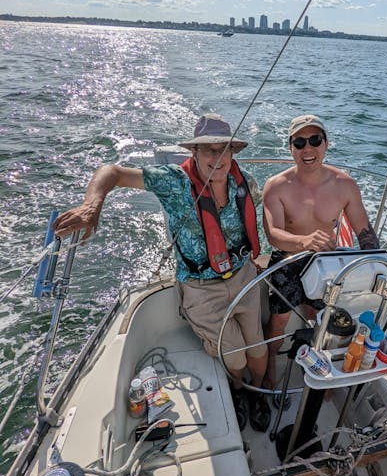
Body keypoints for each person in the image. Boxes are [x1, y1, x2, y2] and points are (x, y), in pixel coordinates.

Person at [52, 113, 271, 432]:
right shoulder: (174, 182)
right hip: (201, 287)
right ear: (193, 152)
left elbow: (260, 221)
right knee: (235, 356)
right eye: (209, 149)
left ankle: (257, 395)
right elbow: (111, 172)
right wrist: (92, 205)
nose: (218, 157)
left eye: (224, 149)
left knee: (259, 347)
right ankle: (238, 390)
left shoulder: (245, 182)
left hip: (243, 277)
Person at [262, 114, 380, 385]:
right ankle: (270, 366)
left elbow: (364, 232)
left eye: (315, 140)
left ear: (326, 144)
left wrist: (378, 269)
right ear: (290, 148)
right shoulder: (276, 186)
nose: (308, 149)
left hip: (325, 263)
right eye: (300, 142)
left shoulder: (345, 185)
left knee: (320, 320)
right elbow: (274, 235)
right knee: (279, 321)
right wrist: (303, 242)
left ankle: (318, 367)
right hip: (287, 261)